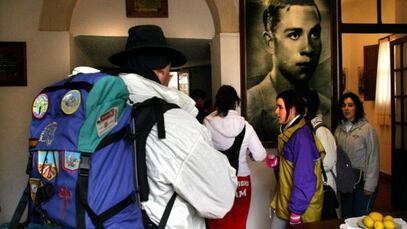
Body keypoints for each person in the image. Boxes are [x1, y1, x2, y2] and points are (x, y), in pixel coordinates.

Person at [108, 24, 237, 228]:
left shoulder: (104, 112)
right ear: (160, 69)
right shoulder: (175, 123)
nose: (169, 76)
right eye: (169, 70)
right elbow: (221, 198)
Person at [247, 0, 331, 142]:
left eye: (314, 34)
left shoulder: (327, 106)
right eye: (294, 35)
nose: (308, 49)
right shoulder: (252, 104)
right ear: (270, 42)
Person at [203, 85, 268, 229]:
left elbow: (202, 154)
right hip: (242, 181)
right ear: (236, 102)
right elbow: (260, 155)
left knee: (218, 223)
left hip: (216, 181)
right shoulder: (245, 126)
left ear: (217, 102)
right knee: (238, 224)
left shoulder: (207, 123)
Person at [269, 89, 324, 228]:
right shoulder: (291, 131)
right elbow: (293, 164)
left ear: (292, 110)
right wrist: (278, 163)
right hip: (287, 202)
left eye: (280, 107)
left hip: (301, 210)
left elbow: (305, 177)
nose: (276, 111)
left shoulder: (301, 137)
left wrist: (296, 212)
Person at [334, 92, 380, 218]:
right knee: (347, 217)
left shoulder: (367, 129)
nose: (346, 108)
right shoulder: (339, 130)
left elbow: (374, 158)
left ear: (357, 107)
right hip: (346, 182)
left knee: (361, 218)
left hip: (363, 183)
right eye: (344, 105)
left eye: (350, 105)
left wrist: (370, 185)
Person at [302, 89, 338, 218]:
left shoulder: (320, 130)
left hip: (324, 185)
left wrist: (305, 166)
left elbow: (328, 161)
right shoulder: (307, 126)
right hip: (314, 185)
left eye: (304, 105)